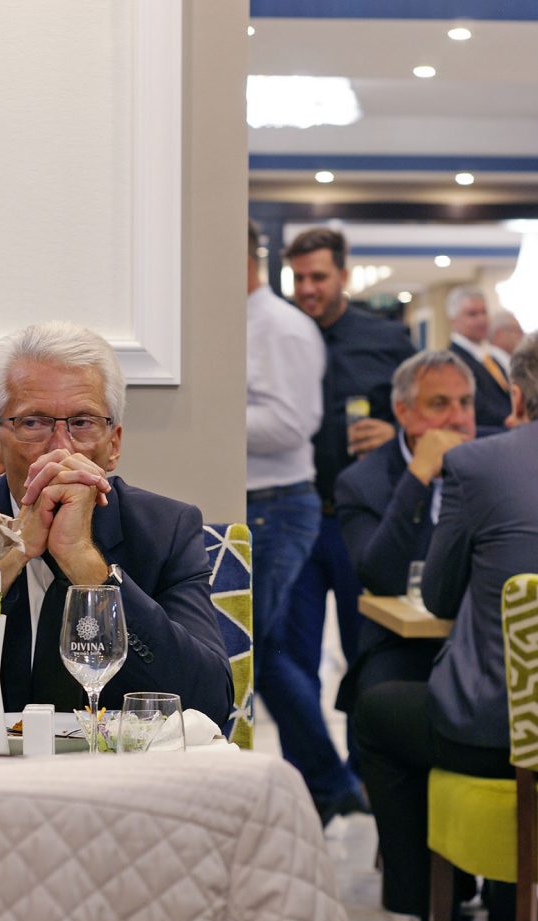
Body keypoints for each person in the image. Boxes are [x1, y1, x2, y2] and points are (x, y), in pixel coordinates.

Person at [0, 321, 233, 724]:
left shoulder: (166, 529)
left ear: (114, 445)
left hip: (110, 761)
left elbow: (209, 702)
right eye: (33, 422)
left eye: (82, 422)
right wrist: (10, 557)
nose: (60, 448)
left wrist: (84, 561)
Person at [354, 331, 538, 921]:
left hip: (501, 735)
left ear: (514, 397)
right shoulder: (380, 476)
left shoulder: (481, 465)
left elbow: (435, 595)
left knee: (376, 715)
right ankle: (509, 919)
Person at [282, 226, 413, 817]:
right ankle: (316, 786)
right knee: (289, 658)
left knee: (368, 659)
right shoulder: (279, 335)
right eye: (299, 278)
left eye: (319, 276)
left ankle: (368, 782)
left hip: (363, 523)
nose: (308, 288)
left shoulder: (387, 339)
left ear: (343, 275)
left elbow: (425, 419)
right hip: (294, 518)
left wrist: (396, 432)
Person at [334, 350, 476, 717]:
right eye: (440, 404)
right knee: (380, 701)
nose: (458, 418)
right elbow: (383, 576)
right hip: (405, 646)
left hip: (483, 636)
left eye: (465, 403)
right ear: (403, 411)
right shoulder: (362, 482)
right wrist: (418, 476)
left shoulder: (494, 460)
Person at [246, 220, 329, 812]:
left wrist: (210, 410)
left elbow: (292, 425)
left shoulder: (280, 326)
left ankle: (330, 783)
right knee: (265, 652)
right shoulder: (246, 322)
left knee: (255, 651)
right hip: (262, 505)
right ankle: (331, 784)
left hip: (277, 505)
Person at [447, 284, 511, 427]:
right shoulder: (452, 361)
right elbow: (478, 409)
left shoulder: (491, 356)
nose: (482, 319)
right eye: (472, 314)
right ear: (453, 320)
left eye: (484, 312)